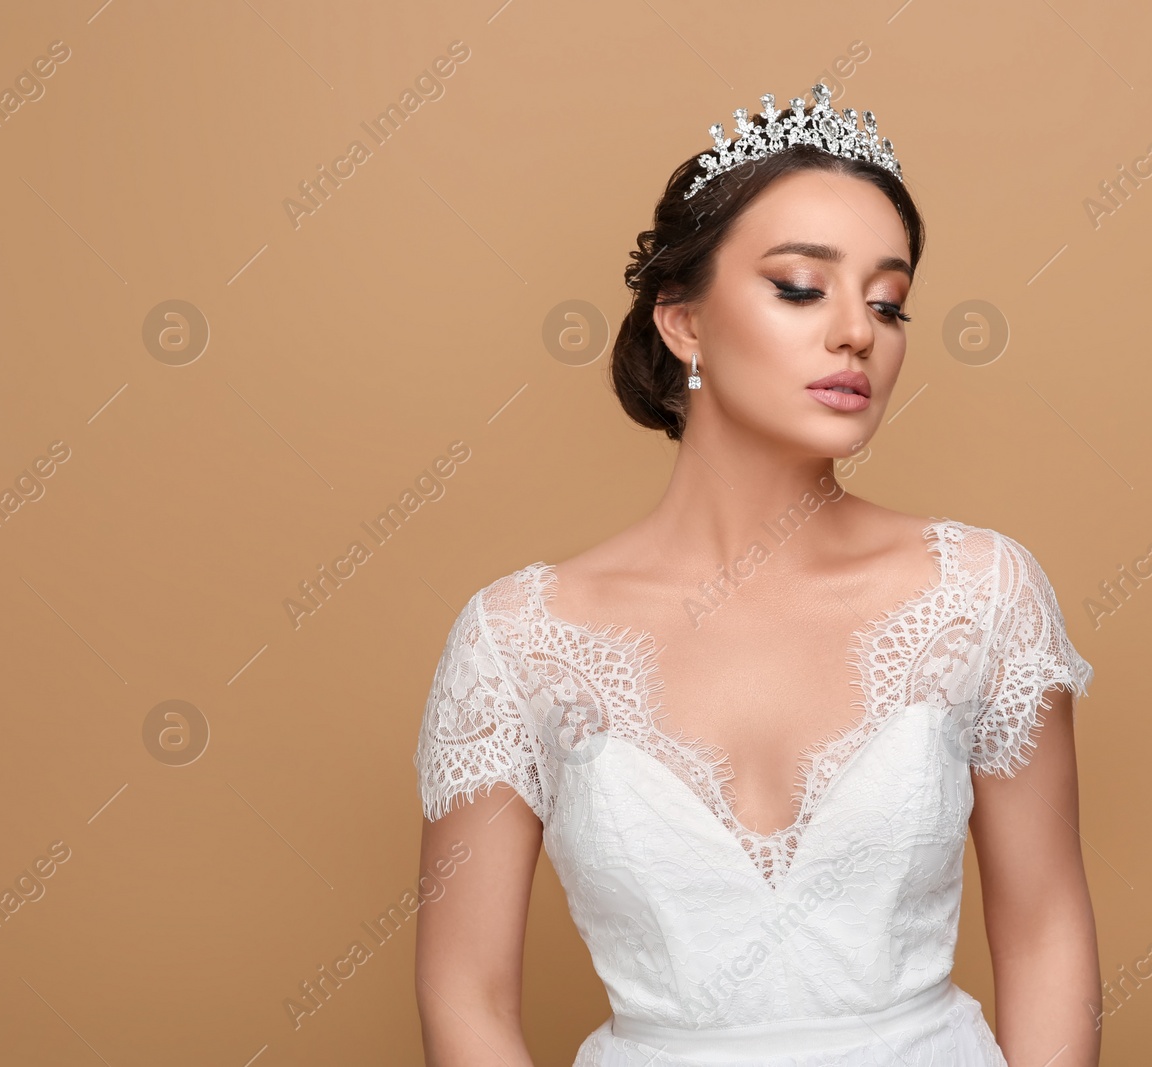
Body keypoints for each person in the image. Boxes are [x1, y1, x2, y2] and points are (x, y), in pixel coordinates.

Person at [412, 81, 1101, 1066]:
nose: (858, 332)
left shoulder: (981, 594)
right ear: (682, 322)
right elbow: (464, 997)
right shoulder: (518, 637)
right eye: (798, 286)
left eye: (889, 302)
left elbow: (1045, 935)